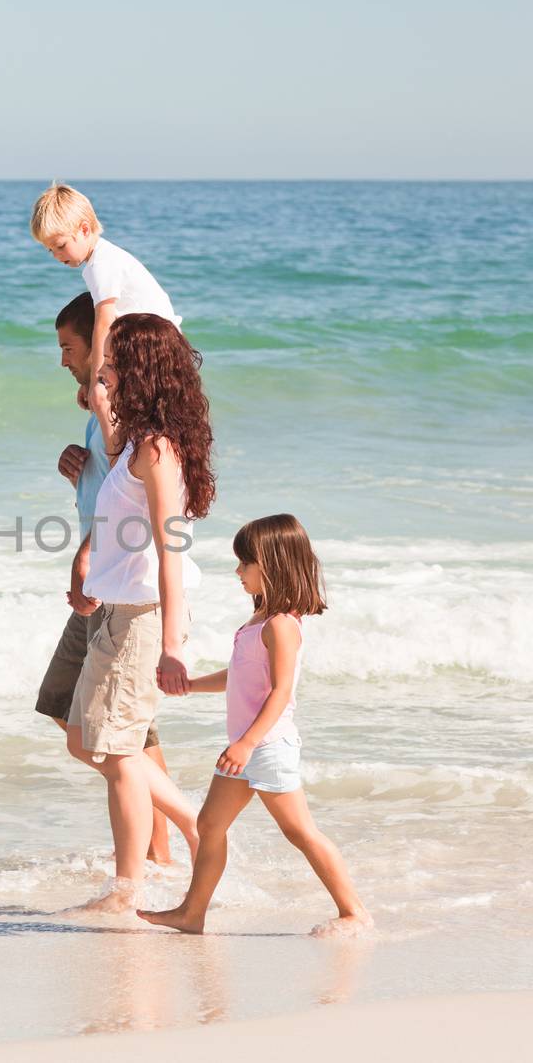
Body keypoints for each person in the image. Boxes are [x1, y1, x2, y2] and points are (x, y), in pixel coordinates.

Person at [137, 514, 373, 937]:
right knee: (210, 825)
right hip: (247, 747)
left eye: (245, 563)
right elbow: (238, 676)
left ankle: (354, 912)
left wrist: (246, 743)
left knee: (299, 831)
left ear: (273, 564)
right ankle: (193, 914)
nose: (237, 571)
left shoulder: (281, 626)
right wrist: (189, 685)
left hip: (267, 746)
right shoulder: (259, 620)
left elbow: (280, 692)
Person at [66, 313, 211, 912]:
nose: (105, 372)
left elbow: (172, 548)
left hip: (145, 616)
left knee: (119, 752)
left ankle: (127, 890)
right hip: (118, 610)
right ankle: (193, 825)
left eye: (114, 364)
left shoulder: (157, 451)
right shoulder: (131, 441)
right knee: (84, 739)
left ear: (143, 371)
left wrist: (173, 640)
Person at [36, 292, 180, 864]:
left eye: (70, 349)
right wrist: (79, 463)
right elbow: (114, 491)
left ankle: (160, 854)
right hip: (103, 583)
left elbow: (147, 524)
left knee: (121, 734)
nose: (66, 362)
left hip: (118, 588)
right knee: (83, 718)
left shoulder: (134, 429)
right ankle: (164, 847)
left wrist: (88, 554)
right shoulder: (106, 429)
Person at [30, 182, 180, 386]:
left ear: (84, 229)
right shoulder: (100, 259)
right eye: (50, 250)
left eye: (60, 246)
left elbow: (104, 322)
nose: (56, 256)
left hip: (159, 348)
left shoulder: (101, 264)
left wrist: (95, 382)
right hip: (156, 345)